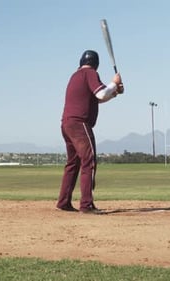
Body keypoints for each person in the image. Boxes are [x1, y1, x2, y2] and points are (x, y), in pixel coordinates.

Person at [56, 50, 124, 214]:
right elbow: (101, 92)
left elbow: (97, 98)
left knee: (73, 163)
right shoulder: (90, 73)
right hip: (80, 124)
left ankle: (64, 202)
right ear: (96, 64)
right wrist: (114, 83)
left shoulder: (76, 75)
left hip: (67, 124)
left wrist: (114, 93)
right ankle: (86, 205)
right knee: (89, 161)